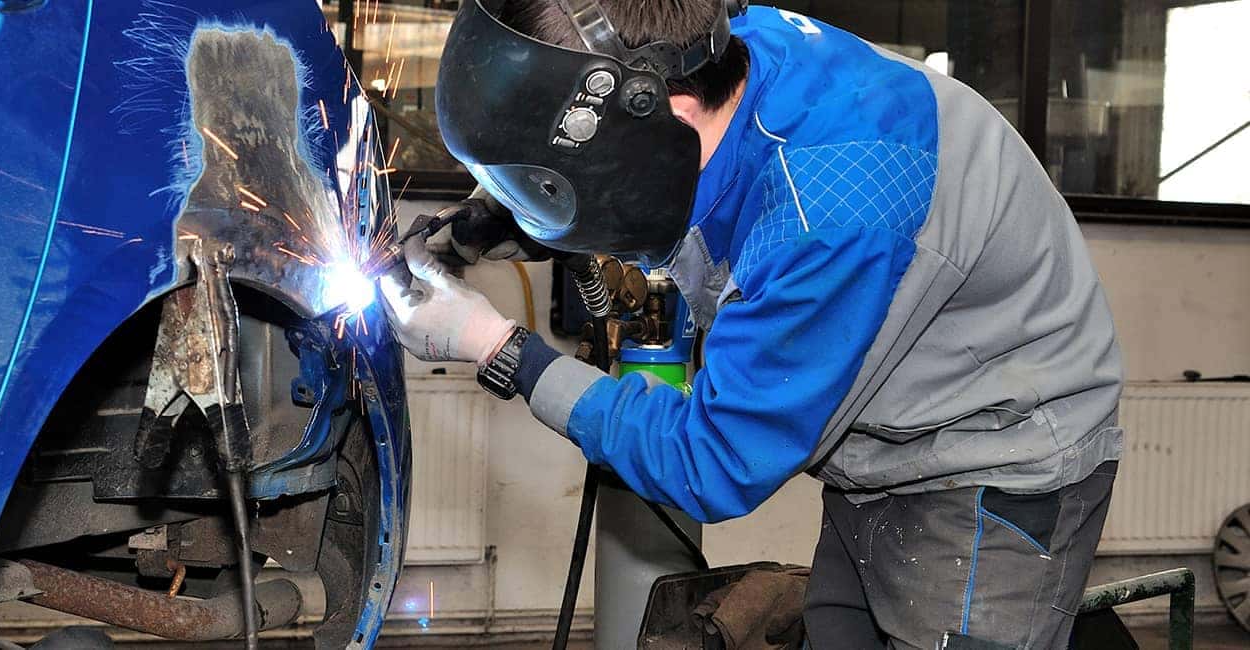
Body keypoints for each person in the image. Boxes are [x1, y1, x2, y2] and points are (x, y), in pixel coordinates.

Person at [376, 1, 1124, 648]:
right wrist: (504, 215)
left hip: (998, 462)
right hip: (878, 457)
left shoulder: (825, 210)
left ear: (664, 116)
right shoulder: (721, 49)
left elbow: (712, 461)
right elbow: (676, 184)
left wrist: (498, 348)